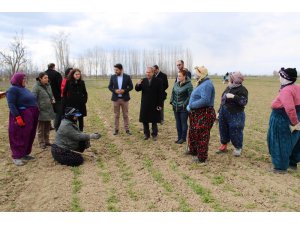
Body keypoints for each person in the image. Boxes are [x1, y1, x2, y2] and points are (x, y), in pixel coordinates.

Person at [267, 67, 300, 173]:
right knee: (294, 140)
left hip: (282, 118)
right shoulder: (297, 87)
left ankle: (280, 167)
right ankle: (292, 163)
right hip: (296, 116)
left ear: (285, 78)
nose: (279, 78)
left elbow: (290, 108)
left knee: (279, 142)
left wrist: (295, 123)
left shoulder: (286, 90)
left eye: (280, 76)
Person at [6, 72, 39, 166]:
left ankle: (25, 153)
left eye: (25, 79)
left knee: (28, 134)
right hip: (21, 115)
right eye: (23, 79)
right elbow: (11, 104)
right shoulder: (13, 89)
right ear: (18, 80)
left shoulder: (24, 89)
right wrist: (17, 117)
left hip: (31, 115)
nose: (25, 80)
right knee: (18, 136)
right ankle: (16, 156)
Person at [186, 66, 216, 163]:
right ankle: (194, 151)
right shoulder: (202, 83)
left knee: (202, 135)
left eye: (196, 74)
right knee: (194, 133)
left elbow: (205, 100)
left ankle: (201, 158)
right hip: (198, 113)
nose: (195, 75)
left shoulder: (207, 85)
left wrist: (192, 105)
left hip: (204, 113)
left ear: (201, 74)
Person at [216, 71, 248, 157]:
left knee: (235, 130)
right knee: (223, 128)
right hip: (224, 112)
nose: (229, 79)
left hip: (235, 114)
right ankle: (224, 144)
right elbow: (222, 100)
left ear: (235, 79)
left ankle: (238, 147)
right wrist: (219, 112)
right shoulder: (229, 87)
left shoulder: (242, 89)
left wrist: (234, 97)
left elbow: (244, 102)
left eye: (232, 78)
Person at [135, 67, 163, 140]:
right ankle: (146, 134)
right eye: (146, 72)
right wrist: (138, 84)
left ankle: (154, 135)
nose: (147, 73)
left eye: (149, 72)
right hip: (145, 104)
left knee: (154, 120)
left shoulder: (158, 81)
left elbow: (160, 94)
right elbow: (137, 89)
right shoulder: (143, 80)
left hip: (154, 104)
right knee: (145, 120)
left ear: (153, 73)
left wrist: (159, 105)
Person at [32, 72, 56, 149]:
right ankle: (41, 142)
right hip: (41, 110)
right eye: (45, 78)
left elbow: (51, 94)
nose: (47, 79)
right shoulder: (36, 87)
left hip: (49, 109)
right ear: (40, 78)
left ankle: (47, 141)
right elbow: (33, 99)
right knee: (41, 128)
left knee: (47, 127)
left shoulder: (48, 85)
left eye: (47, 77)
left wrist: (52, 99)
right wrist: (37, 108)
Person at [108, 63, 133, 135]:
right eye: (115, 70)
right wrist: (115, 91)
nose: (115, 71)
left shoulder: (127, 77)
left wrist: (124, 90)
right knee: (116, 115)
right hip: (116, 99)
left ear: (121, 69)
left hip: (125, 99)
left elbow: (131, 87)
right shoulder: (112, 77)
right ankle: (116, 130)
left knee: (125, 115)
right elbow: (109, 87)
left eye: (117, 70)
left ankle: (127, 130)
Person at [170, 69, 193, 144]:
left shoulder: (189, 85)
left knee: (183, 123)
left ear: (184, 76)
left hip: (183, 108)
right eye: (178, 76)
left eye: (180, 76)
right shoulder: (176, 84)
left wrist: (184, 104)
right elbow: (172, 93)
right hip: (175, 106)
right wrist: (172, 102)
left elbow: (190, 96)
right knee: (178, 123)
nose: (178, 77)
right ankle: (179, 137)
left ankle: (183, 138)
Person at [45, 63, 63, 131]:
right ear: (53, 67)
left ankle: (49, 126)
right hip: (56, 96)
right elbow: (60, 86)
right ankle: (56, 126)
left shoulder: (44, 74)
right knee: (58, 112)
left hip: (46, 96)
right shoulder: (57, 74)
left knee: (48, 112)